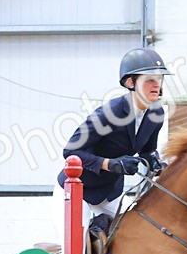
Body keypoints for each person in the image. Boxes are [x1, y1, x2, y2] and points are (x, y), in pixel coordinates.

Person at [58, 47, 171, 235]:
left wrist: (154, 161)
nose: (156, 84)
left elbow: (148, 150)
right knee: (79, 245)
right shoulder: (109, 114)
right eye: (149, 79)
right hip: (78, 191)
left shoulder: (156, 114)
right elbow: (70, 152)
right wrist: (110, 164)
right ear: (130, 82)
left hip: (110, 192)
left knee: (138, 233)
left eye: (159, 79)